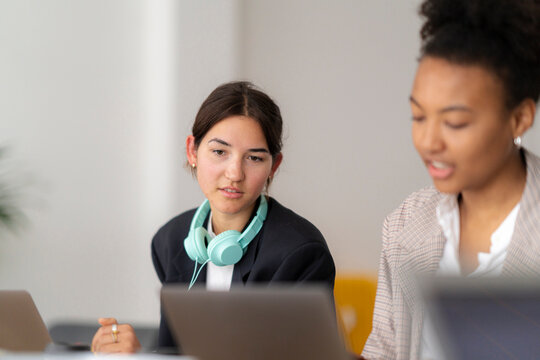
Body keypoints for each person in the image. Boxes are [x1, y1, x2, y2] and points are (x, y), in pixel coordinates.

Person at [91, 81, 336, 354]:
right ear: (192, 151)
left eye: (254, 158)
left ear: (273, 167)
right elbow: (177, 354)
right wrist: (136, 358)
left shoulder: (301, 254)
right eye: (220, 152)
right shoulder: (170, 241)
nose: (234, 173)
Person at [362, 0, 540, 359]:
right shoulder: (404, 225)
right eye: (418, 116)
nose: (429, 142)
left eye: (455, 123)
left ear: (519, 118)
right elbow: (383, 350)